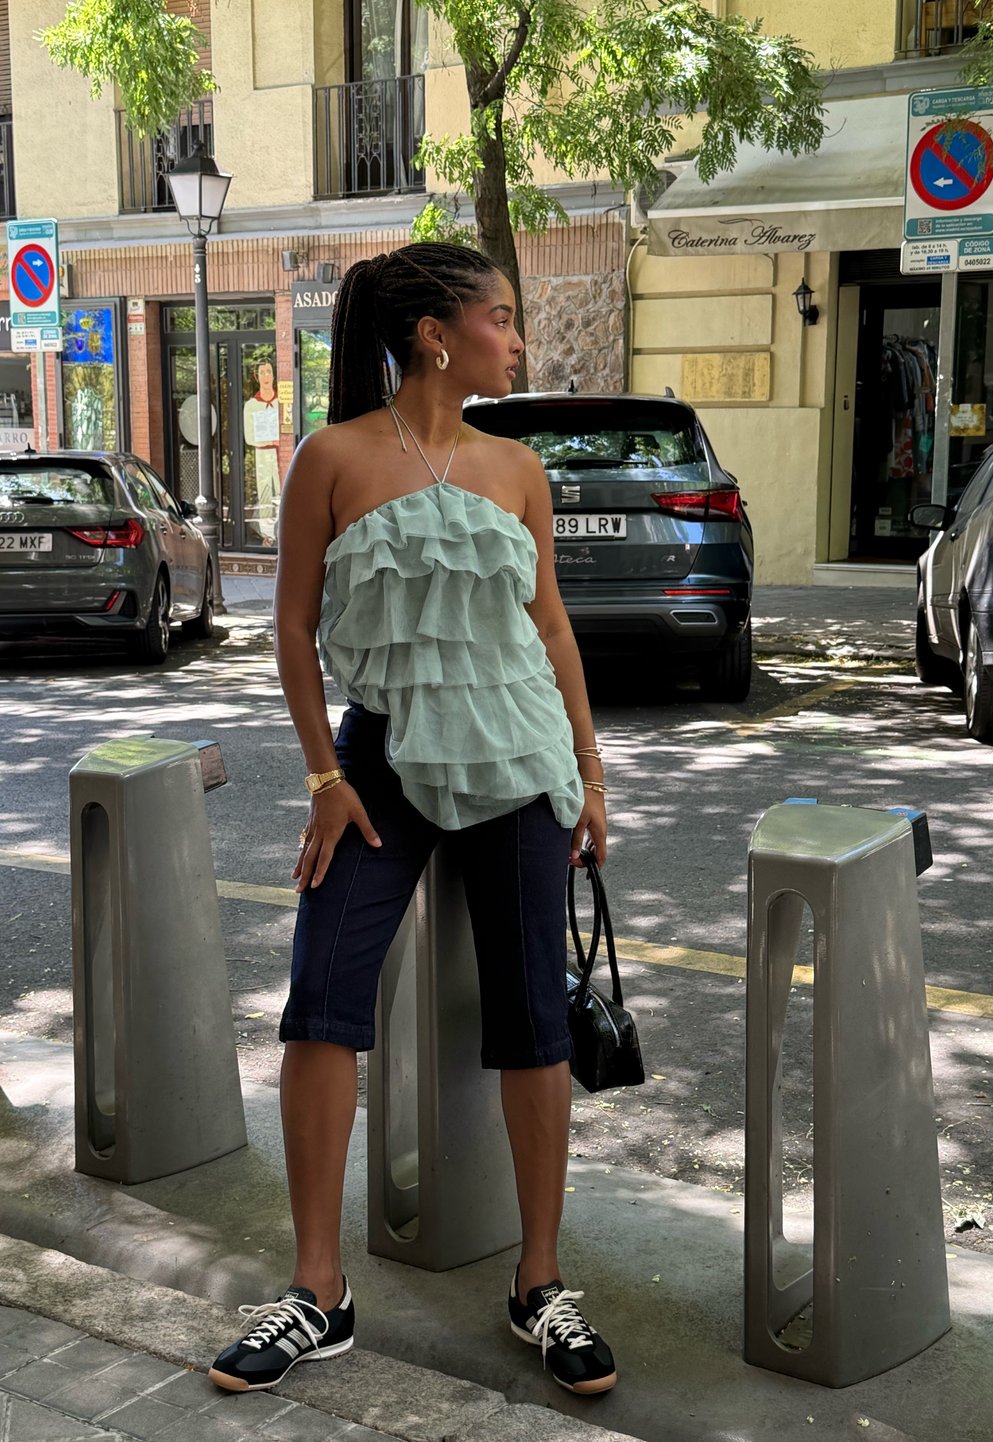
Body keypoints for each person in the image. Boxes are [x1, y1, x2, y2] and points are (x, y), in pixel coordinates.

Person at [208, 242, 615, 1398]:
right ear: (439, 333)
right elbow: (291, 629)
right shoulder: (330, 459)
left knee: (535, 1015)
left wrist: (587, 774)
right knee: (319, 1001)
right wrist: (323, 777)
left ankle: (540, 1282)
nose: (517, 337)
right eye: (502, 316)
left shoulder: (516, 465)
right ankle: (318, 1291)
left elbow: (551, 632)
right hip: (380, 758)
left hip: (521, 759)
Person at [243, 360, 282, 544]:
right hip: (262, 456)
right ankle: (268, 536)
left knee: (282, 492)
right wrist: (269, 441)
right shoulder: (251, 405)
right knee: (266, 494)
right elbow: (249, 437)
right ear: (256, 377)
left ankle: (282, 532)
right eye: (262, 372)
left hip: (281, 454)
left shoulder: (280, 402)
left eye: (269, 371)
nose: (266, 376)